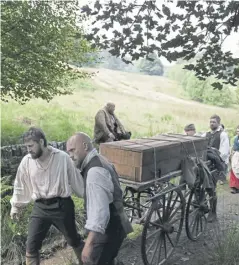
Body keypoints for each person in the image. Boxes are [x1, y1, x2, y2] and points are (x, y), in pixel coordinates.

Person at [10, 127, 84, 265]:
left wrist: (89, 197)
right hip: (40, 208)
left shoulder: (62, 158)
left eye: (31, 146)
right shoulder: (27, 161)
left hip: (62, 206)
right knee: (31, 246)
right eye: (26, 147)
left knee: (74, 240)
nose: (28, 150)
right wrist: (16, 206)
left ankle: (88, 262)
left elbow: (76, 180)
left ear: (42, 142)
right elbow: (20, 184)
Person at [67, 132, 133, 265]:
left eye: (72, 150)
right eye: (68, 152)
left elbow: (100, 214)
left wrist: (89, 244)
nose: (70, 155)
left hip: (108, 232)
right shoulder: (101, 159)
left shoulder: (94, 171)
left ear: (85, 146)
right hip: (116, 226)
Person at [205, 115, 230, 184]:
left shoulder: (223, 135)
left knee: (213, 182)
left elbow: (224, 152)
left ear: (218, 124)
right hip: (207, 160)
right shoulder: (207, 134)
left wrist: (218, 161)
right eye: (210, 122)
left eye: (214, 122)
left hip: (216, 162)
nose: (211, 123)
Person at [230, 125, 239, 194]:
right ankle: (234, 187)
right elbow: (233, 147)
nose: (238, 132)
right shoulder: (236, 138)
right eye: (237, 131)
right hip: (236, 156)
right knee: (233, 170)